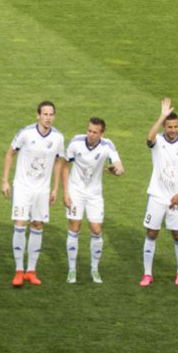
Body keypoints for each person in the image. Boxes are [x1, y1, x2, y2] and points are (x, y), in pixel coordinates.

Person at [1, 101, 65, 287]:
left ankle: (31, 271)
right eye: (44, 114)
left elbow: (59, 161)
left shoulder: (58, 138)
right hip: (22, 187)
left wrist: (55, 188)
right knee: (20, 223)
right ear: (38, 115)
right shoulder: (26, 133)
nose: (48, 118)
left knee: (37, 225)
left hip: (42, 190)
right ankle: (19, 271)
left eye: (51, 114)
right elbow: (9, 153)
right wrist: (5, 180)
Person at [140, 98, 178, 287]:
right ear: (164, 127)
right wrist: (161, 116)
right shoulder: (158, 142)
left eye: (175, 126)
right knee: (151, 233)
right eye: (169, 126)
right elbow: (148, 138)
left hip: (176, 198)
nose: (173, 130)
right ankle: (147, 274)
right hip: (156, 196)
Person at [61, 117, 124, 284]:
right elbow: (65, 165)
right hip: (75, 190)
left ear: (101, 133)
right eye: (89, 130)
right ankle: (72, 270)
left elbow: (120, 167)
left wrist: (115, 170)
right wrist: (65, 192)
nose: (90, 134)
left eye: (95, 132)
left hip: (94, 194)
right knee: (74, 226)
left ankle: (94, 269)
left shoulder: (107, 145)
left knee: (96, 229)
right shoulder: (76, 142)